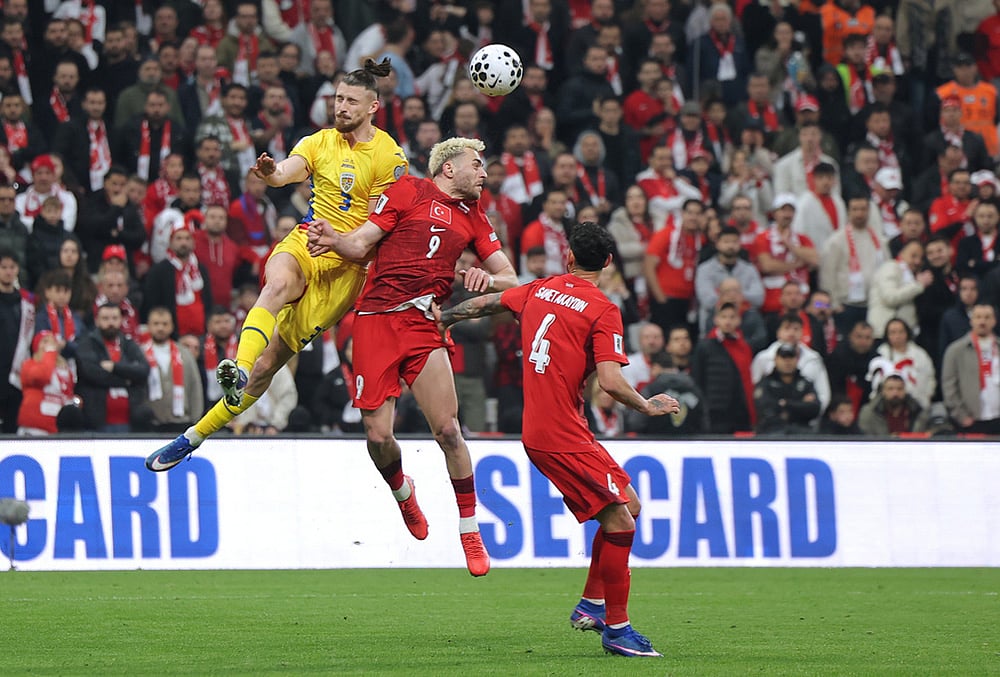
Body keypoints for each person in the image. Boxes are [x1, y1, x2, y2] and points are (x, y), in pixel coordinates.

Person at [146, 59, 408, 472]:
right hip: (307, 240)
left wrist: (340, 242)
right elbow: (287, 171)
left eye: (351, 102)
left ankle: (194, 435)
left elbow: (374, 234)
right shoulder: (319, 141)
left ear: (372, 107)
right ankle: (238, 366)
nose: (340, 107)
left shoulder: (390, 158)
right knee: (275, 285)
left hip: (344, 269)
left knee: (270, 365)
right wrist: (271, 173)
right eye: (338, 98)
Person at [438, 219, 676, 658]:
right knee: (621, 521)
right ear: (607, 262)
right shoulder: (603, 308)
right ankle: (618, 630)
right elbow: (610, 381)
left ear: (568, 256)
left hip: (552, 428)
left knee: (630, 506)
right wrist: (647, 405)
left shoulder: (539, 288)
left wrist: (447, 317)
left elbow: (490, 302)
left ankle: (592, 603)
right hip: (561, 434)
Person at [306, 137, 518, 577]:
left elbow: (510, 278)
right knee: (379, 437)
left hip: (423, 324)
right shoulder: (408, 191)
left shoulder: (476, 217)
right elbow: (361, 243)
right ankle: (404, 494)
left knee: (448, 430)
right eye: (476, 165)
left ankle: (469, 527)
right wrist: (333, 239)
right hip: (375, 322)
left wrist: (485, 277)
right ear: (448, 169)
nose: (483, 173)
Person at [75, 303, 150, 432]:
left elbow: (143, 370)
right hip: (96, 423)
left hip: (131, 423)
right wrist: (127, 380)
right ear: (97, 320)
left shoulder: (129, 344)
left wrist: (115, 367)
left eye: (114, 318)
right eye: (105, 318)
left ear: (120, 320)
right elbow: (91, 372)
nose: (110, 322)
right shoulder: (87, 343)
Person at [942, 303, 1000, 434]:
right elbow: (949, 386)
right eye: (978, 317)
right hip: (971, 420)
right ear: (971, 320)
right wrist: (961, 416)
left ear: (994, 321)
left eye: (987, 317)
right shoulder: (955, 350)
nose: (982, 321)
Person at [754, 342, 821, 435]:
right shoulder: (766, 383)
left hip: (802, 432)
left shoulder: (806, 384)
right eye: (783, 358)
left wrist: (786, 404)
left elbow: (815, 409)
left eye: (791, 357)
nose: (787, 361)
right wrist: (800, 405)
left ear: (797, 360)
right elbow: (765, 409)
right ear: (776, 359)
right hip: (772, 432)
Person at [858, 369, 930, 435]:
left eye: (899, 389)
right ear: (883, 391)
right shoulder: (869, 413)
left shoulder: (918, 411)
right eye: (890, 389)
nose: (895, 393)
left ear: (905, 390)